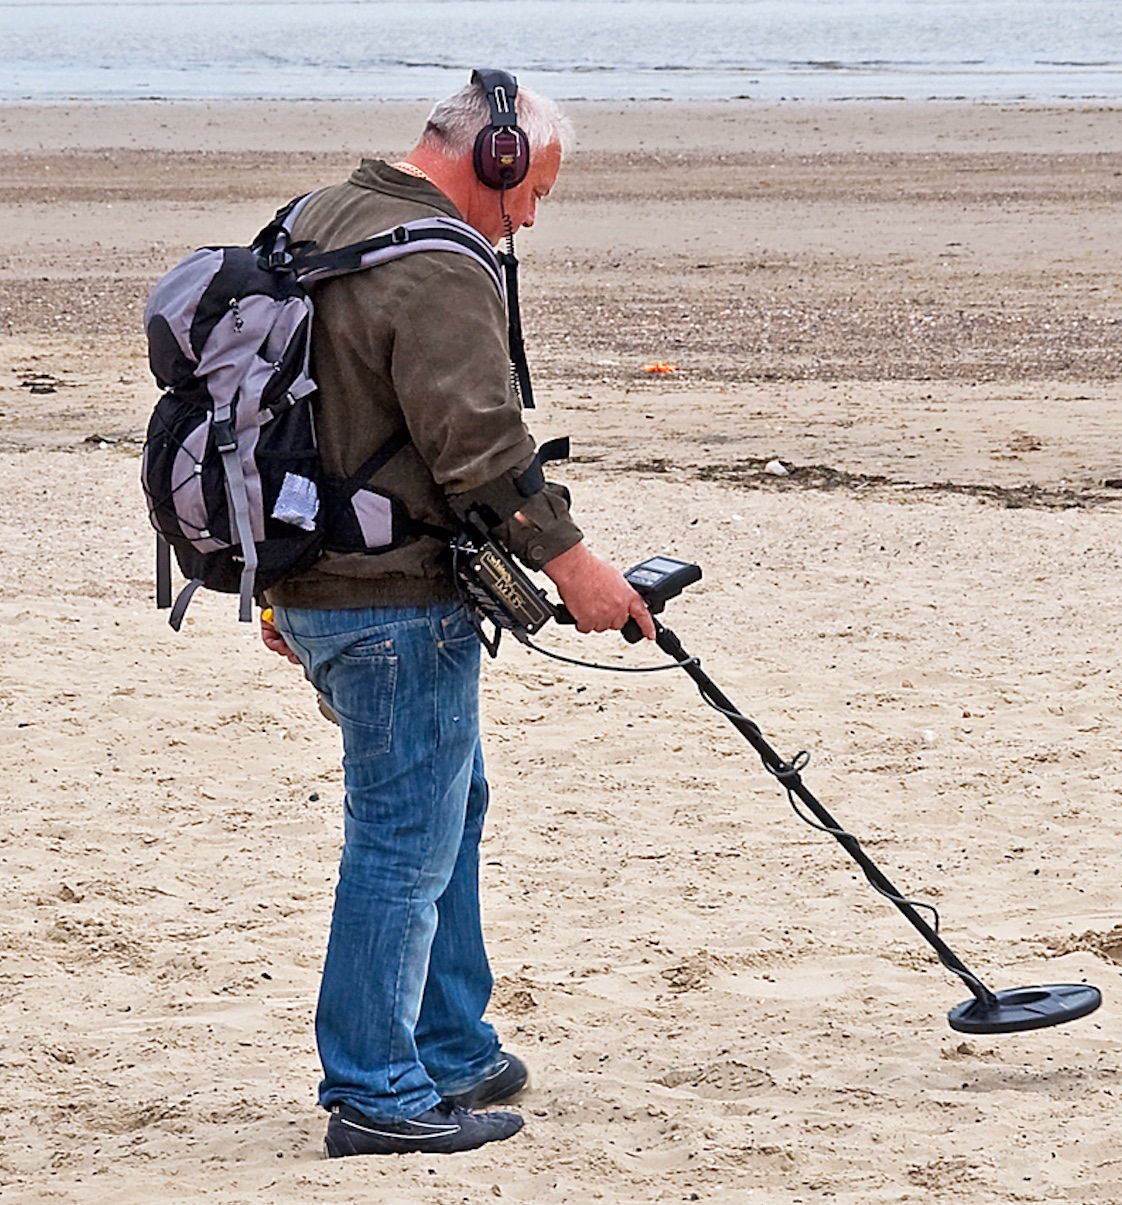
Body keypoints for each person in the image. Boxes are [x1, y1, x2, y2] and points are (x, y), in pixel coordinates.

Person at [257, 72, 654, 1157]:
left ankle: (450, 1042)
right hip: (387, 600)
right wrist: (578, 568)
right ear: (499, 158)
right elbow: (481, 451)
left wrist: (272, 582)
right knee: (401, 839)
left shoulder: (321, 215)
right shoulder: (433, 259)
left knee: (446, 807)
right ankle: (377, 1087)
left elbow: (287, 416)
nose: (528, 217)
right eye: (533, 194)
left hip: (316, 580)